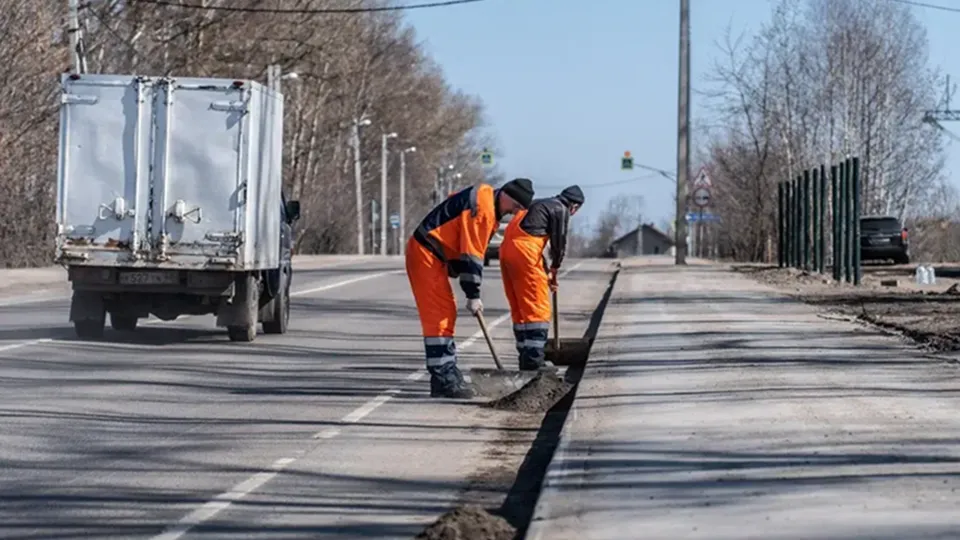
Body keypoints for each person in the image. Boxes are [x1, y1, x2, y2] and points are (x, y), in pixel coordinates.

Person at [406, 178, 536, 398]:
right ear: (505, 194)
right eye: (514, 206)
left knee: (445, 312)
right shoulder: (483, 210)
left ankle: (448, 373)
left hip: (434, 255)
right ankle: (443, 379)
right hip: (425, 254)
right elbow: (472, 256)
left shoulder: (488, 205)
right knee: (439, 317)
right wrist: (473, 295)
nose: (514, 212)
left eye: (519, 209)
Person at [499, 185, 584, 370]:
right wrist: (555, 267)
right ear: (574, 206)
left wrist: (546, 272)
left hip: (506, 251)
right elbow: (559, 242)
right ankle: (534, 361)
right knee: (537, 308)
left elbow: (532, 241)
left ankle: (525, 357)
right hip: (525, 252)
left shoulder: (539, 204)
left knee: (520, 309)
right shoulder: (560, 209)